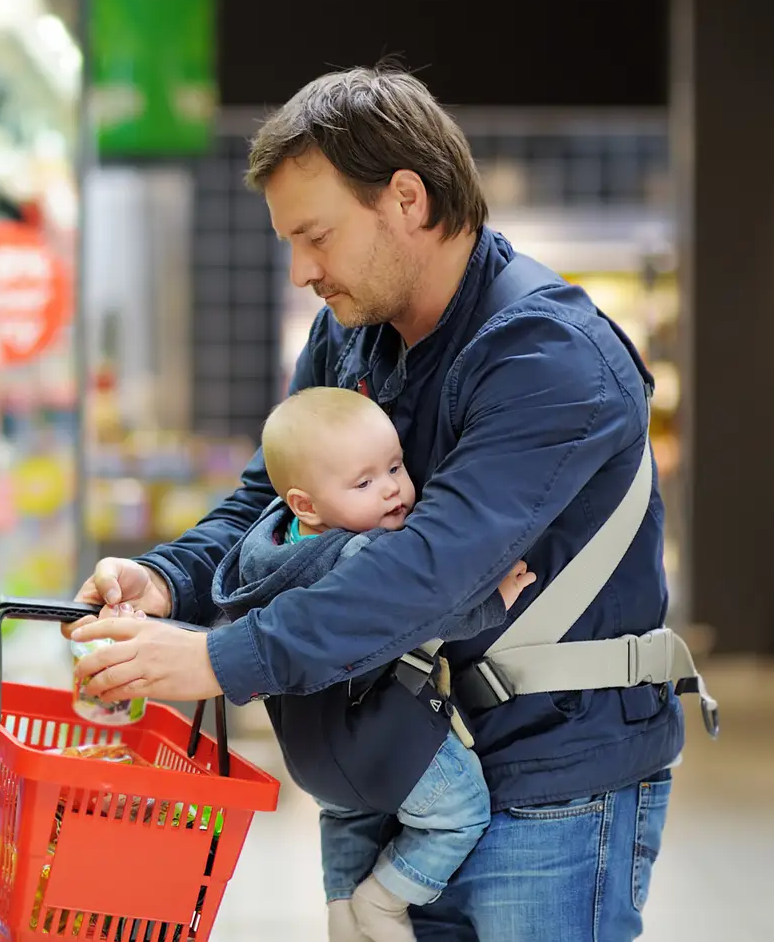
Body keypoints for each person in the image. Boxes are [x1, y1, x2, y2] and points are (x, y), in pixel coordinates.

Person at [68, 65, 696, 941]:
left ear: (407, 197)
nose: (300, 271)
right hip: (406, 762)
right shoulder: (352, 334)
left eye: (315, 235)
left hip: (552, 785)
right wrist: (164, 580)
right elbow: (270, 504)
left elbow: (430, 569)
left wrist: (217, 659)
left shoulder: (549, 356)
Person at [229, 386, 534, 941]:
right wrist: (494, 603)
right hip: (384, 743)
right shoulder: (363, 554)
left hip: (311, 755)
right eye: (364, 482)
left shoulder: (264, 548)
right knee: (461, 813)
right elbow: (422, 613)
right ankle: (383, 900)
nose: (393, 488)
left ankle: (342, 909)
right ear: (306, 504)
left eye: (394, 466)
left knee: (345, 815)